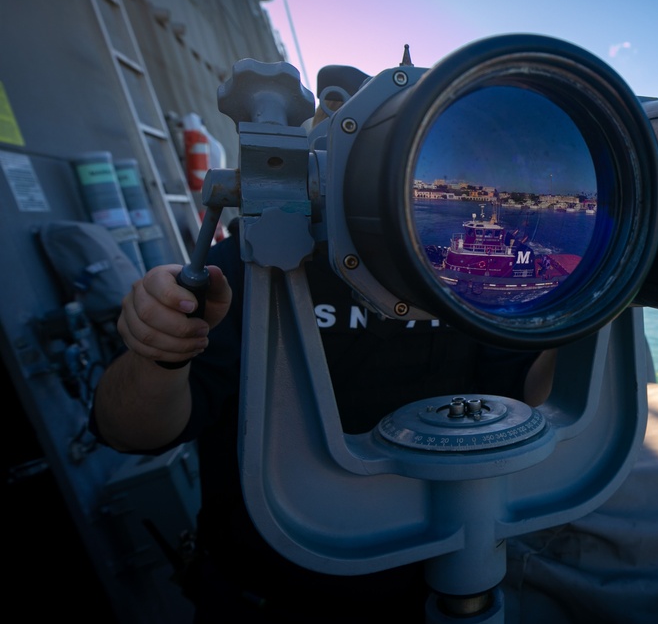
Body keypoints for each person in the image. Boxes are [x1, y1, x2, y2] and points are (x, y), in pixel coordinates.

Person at [92, 68, 550, 621]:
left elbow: (530, 398)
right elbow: (130, 431)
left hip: (437, 584)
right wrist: (159, 349)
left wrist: (587, 309)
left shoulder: (471, 275)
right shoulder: (242, 267)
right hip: (268, 592)